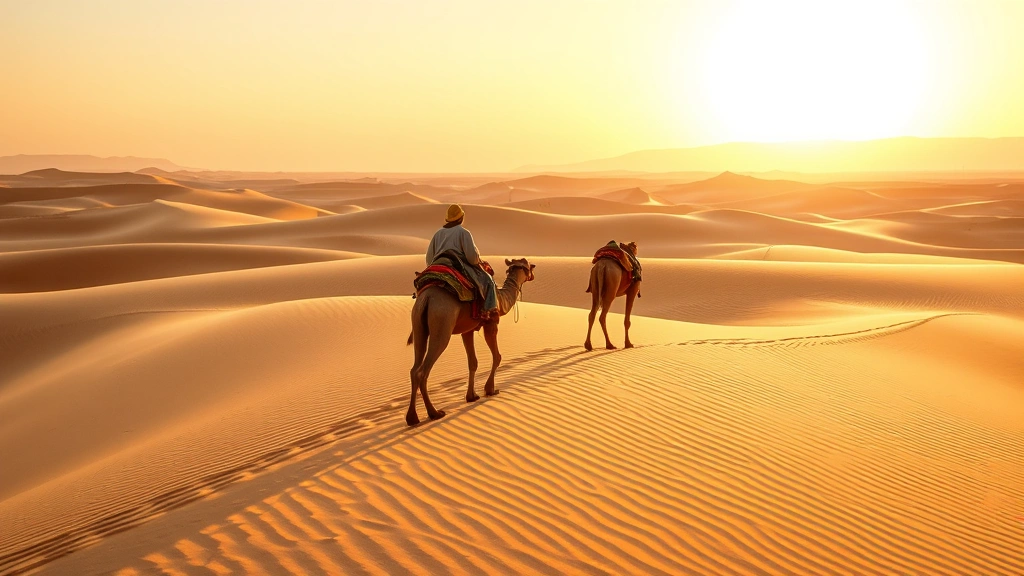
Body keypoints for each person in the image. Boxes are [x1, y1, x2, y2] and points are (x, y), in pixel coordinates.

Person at [425, 204, 498, 317]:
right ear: (461, 218)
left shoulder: (438, 233)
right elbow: (472, 259)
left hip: (437, 265)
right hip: (458, 265)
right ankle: (488, 312)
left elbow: (429, 258)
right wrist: (478, 259)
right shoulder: (464, 233)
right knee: (488, 280)